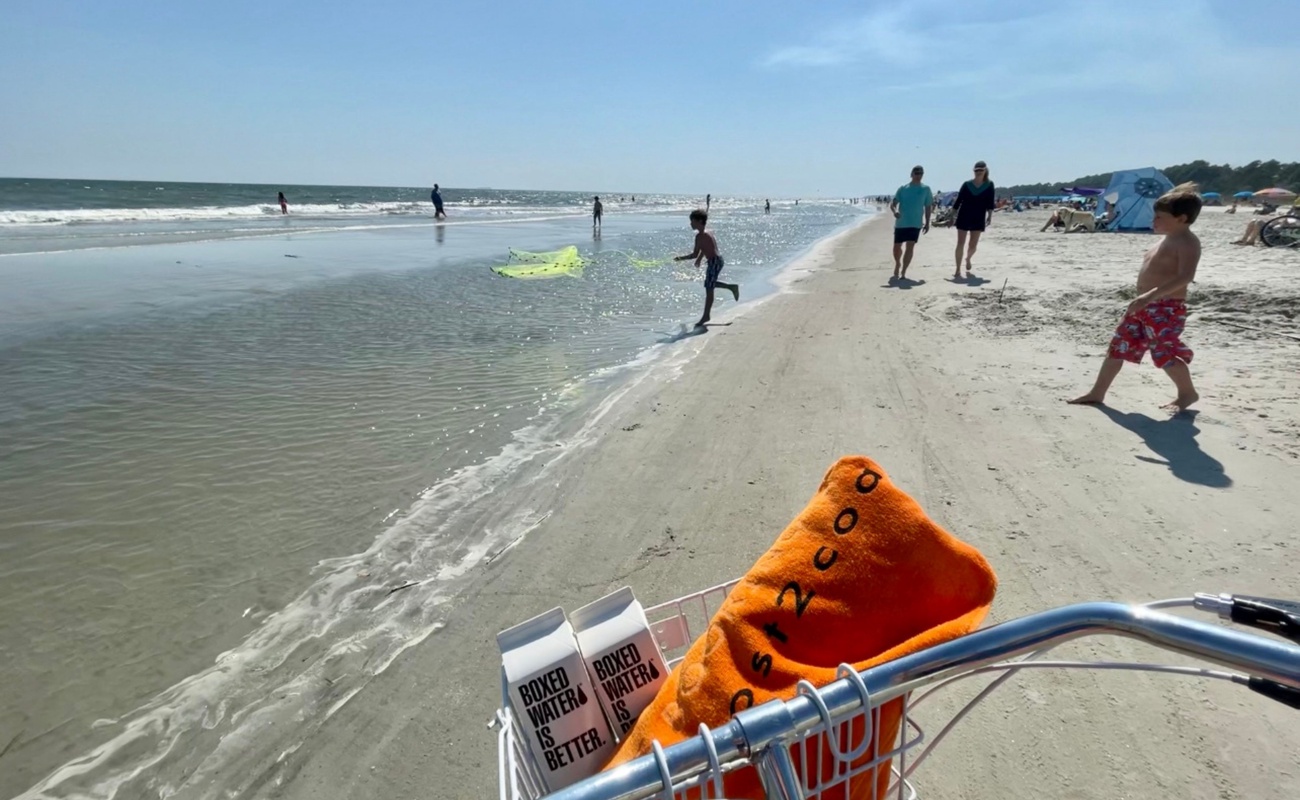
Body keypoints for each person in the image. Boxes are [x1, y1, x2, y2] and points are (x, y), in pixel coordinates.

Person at [1069, 184, 1203, 413]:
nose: (1154, 221)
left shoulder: (1187, 242)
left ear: (1181, 218)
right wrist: (1143, 298)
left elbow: (1186, 276)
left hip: (1166, 307)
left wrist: (1151, 295)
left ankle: (1187, 393)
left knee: (1164, 352)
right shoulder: (1165, 239)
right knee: (1118, 346)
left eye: (1160, 217)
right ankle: (1098, 392)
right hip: (1143, 304)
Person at [674, 209, 738, 327]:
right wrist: (699, 259)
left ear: (699, 221)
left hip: (714, 262)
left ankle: (706, 316)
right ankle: (731, 287)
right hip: (718, 260)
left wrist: (680, 258)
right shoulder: (708, 232)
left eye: (692, 221)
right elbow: (705, 248)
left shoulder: (700, 236)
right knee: (709, 284)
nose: (690, 224)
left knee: (709, 288)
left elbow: (694, 254)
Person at [951, 161, 996, 279]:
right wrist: (952, 215)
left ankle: (968, 258)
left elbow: (990, 203)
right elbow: (958, 200)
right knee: (960, 243)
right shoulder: (966, 184)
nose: (978, 172)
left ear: (985, 171)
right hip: (964, 215)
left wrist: (989, 216)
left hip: (979, 216)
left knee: (973, 244)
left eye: (981, 170)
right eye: (976, 170)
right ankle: (957, 269)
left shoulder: (989, 185)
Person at [889, 165, 933, 280]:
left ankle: (903, 270)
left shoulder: (926, 189)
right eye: (916, 173)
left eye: (921, 173)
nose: (918, 175)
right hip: (901, 222)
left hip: (915, 223)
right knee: (896, 247)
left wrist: (927, 222)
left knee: (910, 247)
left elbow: (928, 207)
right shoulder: (903, 188)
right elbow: (893, 203)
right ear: (911, 174)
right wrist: (895, 211)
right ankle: (898, 263)